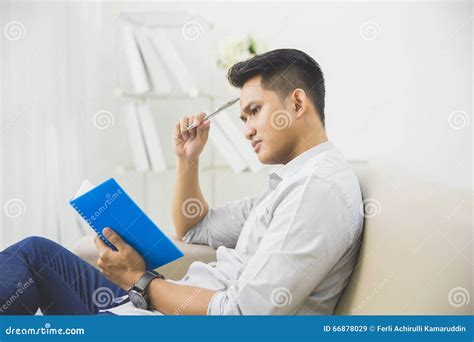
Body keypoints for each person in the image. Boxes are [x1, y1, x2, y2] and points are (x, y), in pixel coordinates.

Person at [0, 48, 363, 315]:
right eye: (242, 118)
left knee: (32, 259)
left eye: (254, 111)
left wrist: (139, 281)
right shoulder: (291, 184)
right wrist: (187, 160)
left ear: (297, 103)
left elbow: (244, 316)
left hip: (165, 321)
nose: (247, 130)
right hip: (151, 310)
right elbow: (194, 227)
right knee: (35, 254)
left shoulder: (316, 191)